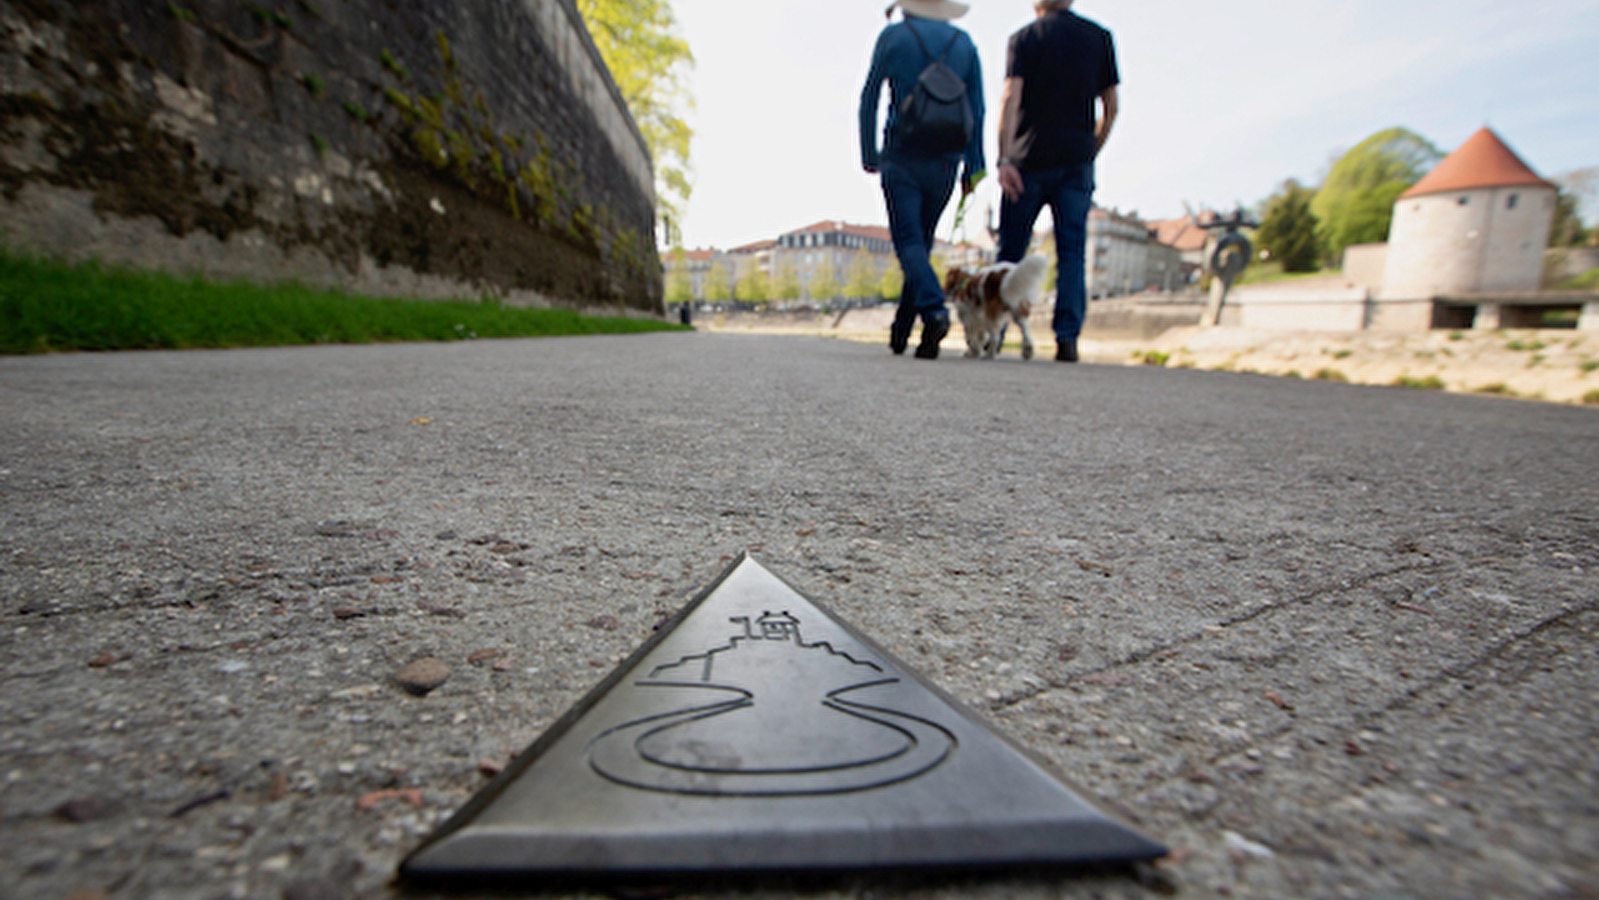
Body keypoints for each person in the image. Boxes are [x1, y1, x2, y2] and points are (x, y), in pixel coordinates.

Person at [860, 0, 986, 359]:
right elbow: (976, 109)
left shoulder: (894, 37)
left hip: (901, 152)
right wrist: (974, 165)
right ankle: (904, 332)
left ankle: (932, 312)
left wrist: (870, 154)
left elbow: (870, 96)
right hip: (947, 160)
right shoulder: (963, 43)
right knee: (922, 245)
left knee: (908, 242)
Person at [995, 0, 1118, 363]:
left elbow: (1010, 98)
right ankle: (1067, 339)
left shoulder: (1024, 39)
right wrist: (1091, 148)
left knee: (1010, 253)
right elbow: (1111, 107)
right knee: (1071, 253)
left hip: (1026, 160)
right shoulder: (1098, 38)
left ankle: (997, 331)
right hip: (1075, 162)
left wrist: (1004, 156)